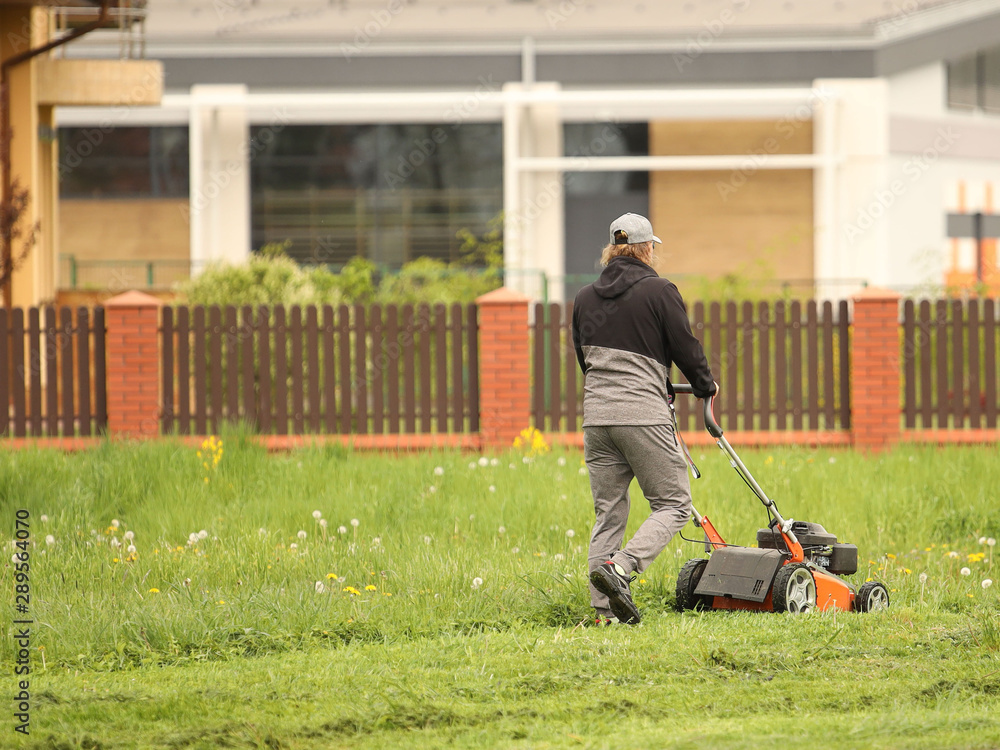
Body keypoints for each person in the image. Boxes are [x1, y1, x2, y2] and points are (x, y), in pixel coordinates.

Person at [571, 212, 716, 625]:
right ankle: (621, 568)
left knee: (608, 513)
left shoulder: (584, 297)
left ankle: (604, 615)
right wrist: (705, 385)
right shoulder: (659, 290)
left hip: (597, 419)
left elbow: (586, 359)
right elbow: (685, 348)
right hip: (641, 416)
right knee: (674, 503)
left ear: (612, 250)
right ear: (646, 249)